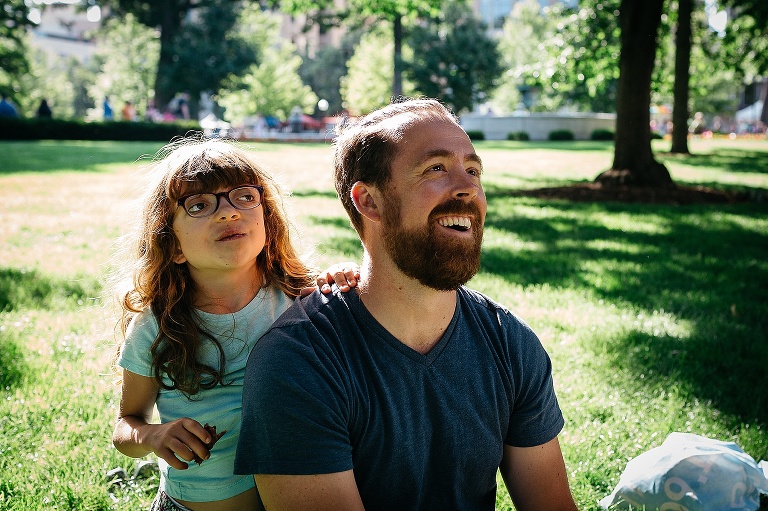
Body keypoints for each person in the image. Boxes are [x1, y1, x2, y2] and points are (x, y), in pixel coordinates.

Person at [235, 98, 579, 511]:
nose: (467, 187)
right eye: (435, 168)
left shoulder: (510, 343)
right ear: (369, 201)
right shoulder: (298, 362)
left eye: (473, 170)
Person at [110, 138, 359, 511]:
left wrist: (344, 278)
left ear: (266, 220)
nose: (228, 213)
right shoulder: (158, 327)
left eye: (243, 196)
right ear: (172, 245)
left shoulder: (297, 298)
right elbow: (126, 426)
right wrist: (154, 435)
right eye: (199, 205)